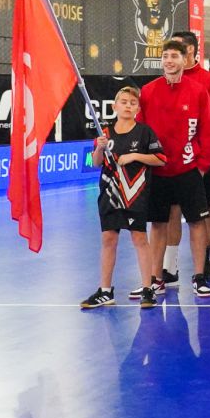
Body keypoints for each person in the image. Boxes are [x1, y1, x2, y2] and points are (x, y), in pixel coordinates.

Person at [138, 39, 210, 297]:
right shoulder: (148, 91)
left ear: (185, 59)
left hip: (188, 170)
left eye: (174, 56)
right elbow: (139, 128)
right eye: (166, 56)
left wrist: (201, 166)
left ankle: (199, 276)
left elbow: (208, 130)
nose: (169, 61)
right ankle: (156, 278)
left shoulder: (198, 91)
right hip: (158, 171)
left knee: (197, 222)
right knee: (158, 224)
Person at [81, 86, 166, 309]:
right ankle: (105, 291)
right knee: (108, 239)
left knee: (139, 238)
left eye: (132, 103)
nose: (128, 106)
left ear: (138, 109)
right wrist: (99, 149)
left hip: (135, 194)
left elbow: (160, 159)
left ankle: (147, 288)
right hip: (109, 194)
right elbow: (96, 163)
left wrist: (135, 156)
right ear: (114, 106)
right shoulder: (105, 133)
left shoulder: (145, 132)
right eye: (124, 102)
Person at [161, 30, 210, 287]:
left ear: (190, 51)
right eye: (168, 53)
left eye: (178, 50)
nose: (172, 57)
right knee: (172, 212)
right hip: (172, 166)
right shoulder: (163, 83)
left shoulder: (208, 81)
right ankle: (170, 268)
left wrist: (205, 162)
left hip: (203, 162)